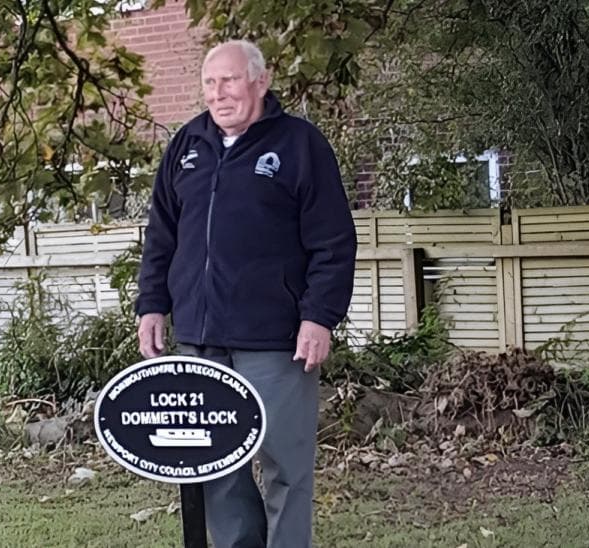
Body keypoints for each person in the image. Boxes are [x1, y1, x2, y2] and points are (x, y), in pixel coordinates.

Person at [135, 39, 357, 548]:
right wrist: (152, 304)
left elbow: (333, 240)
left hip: (278, 342)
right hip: (200, 339)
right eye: (210, 83)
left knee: (286, 466)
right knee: (217, 468)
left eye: (229, 80)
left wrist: (319, 317)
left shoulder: (299, 145)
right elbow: (162, 234)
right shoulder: (187, 145)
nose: (218, 94)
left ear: (261, 80)